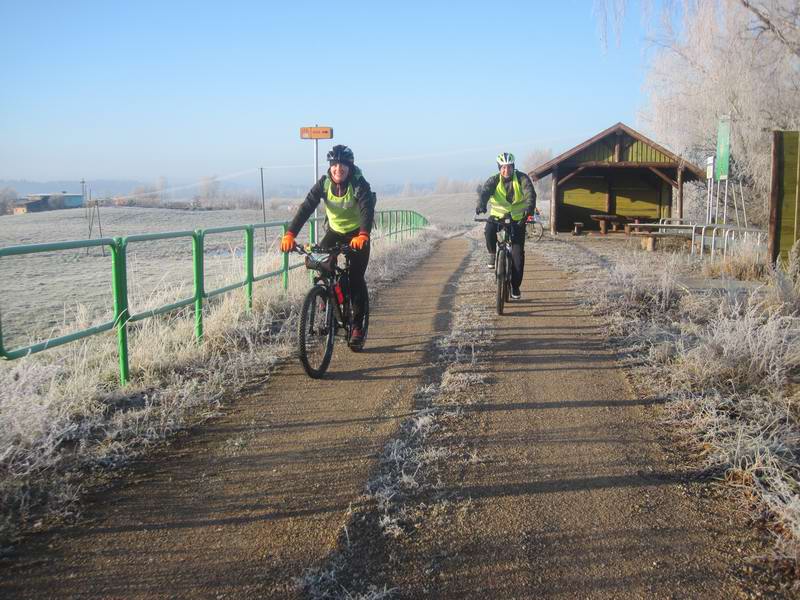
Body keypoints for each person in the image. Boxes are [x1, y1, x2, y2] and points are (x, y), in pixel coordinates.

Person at [280, 144, 375, 347]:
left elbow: (367, 208)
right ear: (330, 167)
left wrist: (364, 234)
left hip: (357, 234)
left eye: (342, 165)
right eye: (334, 165)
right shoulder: (323, 184)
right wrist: (290, 234)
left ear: (349, 167)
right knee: (320, 262)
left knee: (355, 279)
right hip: (334, 232)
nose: (338, 169)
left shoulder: (358, 183)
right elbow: (306, 207)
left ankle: (357, 327)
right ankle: (328, 297)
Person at [475, 152, 536, 300]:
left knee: (517, 255)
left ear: (513, 167)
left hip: (517, 219)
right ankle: (492, 254)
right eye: (503, 167)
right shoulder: (494, 180)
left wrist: (529, 209)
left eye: (509, 167)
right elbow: (485, 192)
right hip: (498, 217)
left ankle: (515, 286)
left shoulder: (522, 178)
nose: (506, 170)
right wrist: (481, 204)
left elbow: (530, 194)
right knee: (489, 229)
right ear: (499, 168)